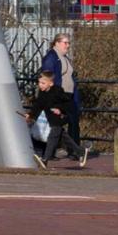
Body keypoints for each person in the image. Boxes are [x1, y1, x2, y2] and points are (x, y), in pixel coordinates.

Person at [37, 30, 88, 166]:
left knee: (68, 124)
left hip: (68, 97)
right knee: (57, 127)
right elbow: (48, 78)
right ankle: (74, 152)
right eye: (65, 43)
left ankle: (73, 152)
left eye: (69, 43)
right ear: (57, 43)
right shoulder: (51, 58)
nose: (68, 46)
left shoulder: (64, 58)